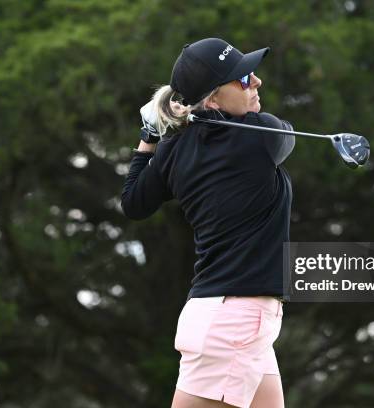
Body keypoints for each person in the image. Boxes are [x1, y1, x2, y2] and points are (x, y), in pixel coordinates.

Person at [121, 37, 294, 408]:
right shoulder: (260, 137)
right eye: (243, 79)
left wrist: (150, 136)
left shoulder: (174, 148)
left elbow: (133, 201)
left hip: (233, 318)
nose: (256, 83)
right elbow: (285, 134)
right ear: (213, 99)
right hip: (234, 321)